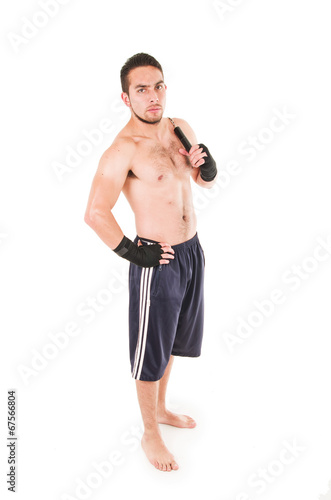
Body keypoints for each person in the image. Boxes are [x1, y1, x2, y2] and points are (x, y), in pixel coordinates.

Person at [84, 53, 217, 472]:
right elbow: (94, 213)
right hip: (154, 260)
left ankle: (161, 408)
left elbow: (201, 179)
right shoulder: (122, 150)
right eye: (141, 89)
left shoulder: (180, 128)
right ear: (126, 98)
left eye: (158, 85)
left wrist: (207, 167)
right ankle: (149, 432)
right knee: (149, 353)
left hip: (191, 252)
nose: (153, 95)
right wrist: (133, 252)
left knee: (174, 339)